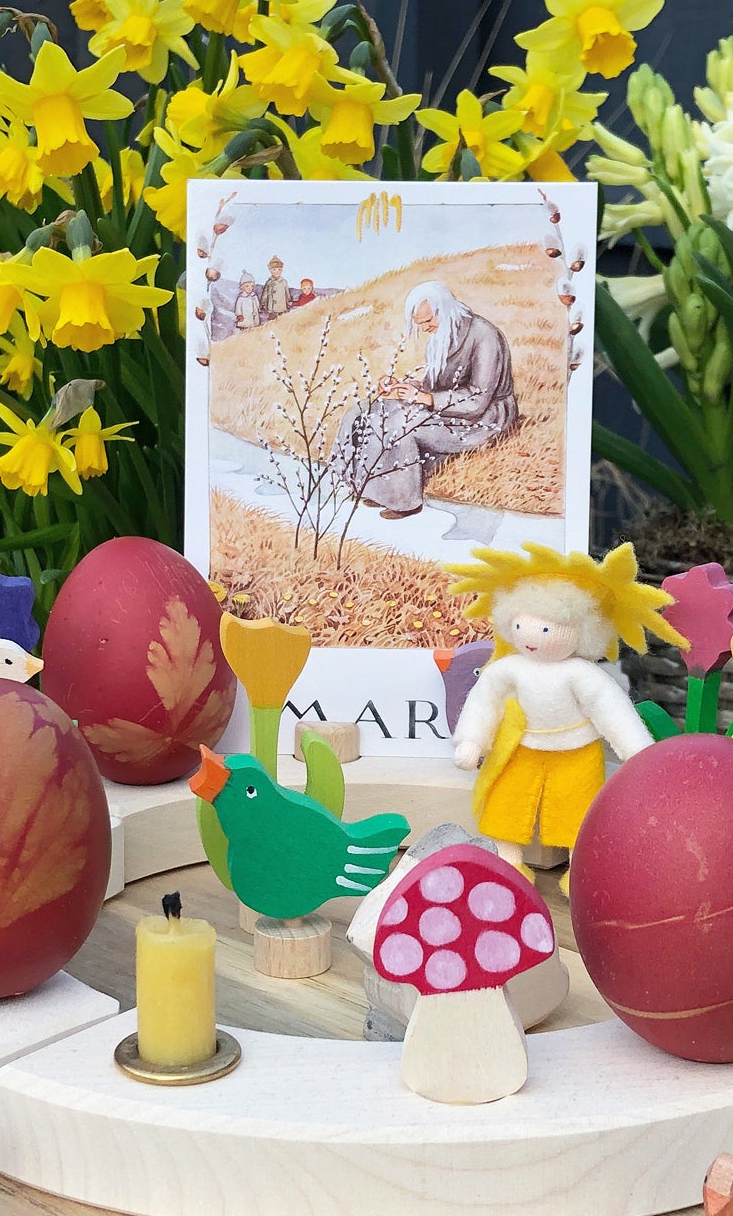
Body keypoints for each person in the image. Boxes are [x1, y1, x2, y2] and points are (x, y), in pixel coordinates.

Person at [445, 544, 684, 865]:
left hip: (577, 751)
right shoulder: (507, 669)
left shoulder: (582, 674)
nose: (531, 637)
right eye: (520, 624)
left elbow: (611, 709)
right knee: (506, 803)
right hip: (519, 748)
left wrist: (637, 751)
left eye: (546, 629)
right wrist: (472, 740)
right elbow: (484, 703)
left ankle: (580, 868)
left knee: (578, 810)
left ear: (585, 632)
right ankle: (507, 862)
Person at [328, 281, 518, 520]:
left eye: (428, 321)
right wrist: (402, 386)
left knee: (399, 423)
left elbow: (478, 399)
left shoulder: (484, 335)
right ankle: (367, 486)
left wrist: (425, 398)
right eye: (421, 324)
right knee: (362, 411)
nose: (426, 328)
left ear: (444, 309)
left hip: (484, 418)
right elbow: (434, 386)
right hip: (446, 407)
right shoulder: (443, 333)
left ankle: (403, 501)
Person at [260, 255, 291, 320]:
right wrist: (262, 304)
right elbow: (265, 294)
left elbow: (287, 293)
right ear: (270, 270)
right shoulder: (269, 282)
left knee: (282, 321)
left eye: (279, 269)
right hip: (272, 308)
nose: (277, 271)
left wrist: (289, 301)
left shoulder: (284, 281)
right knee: (272, 321)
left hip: (282, 306)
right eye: (274, 269)